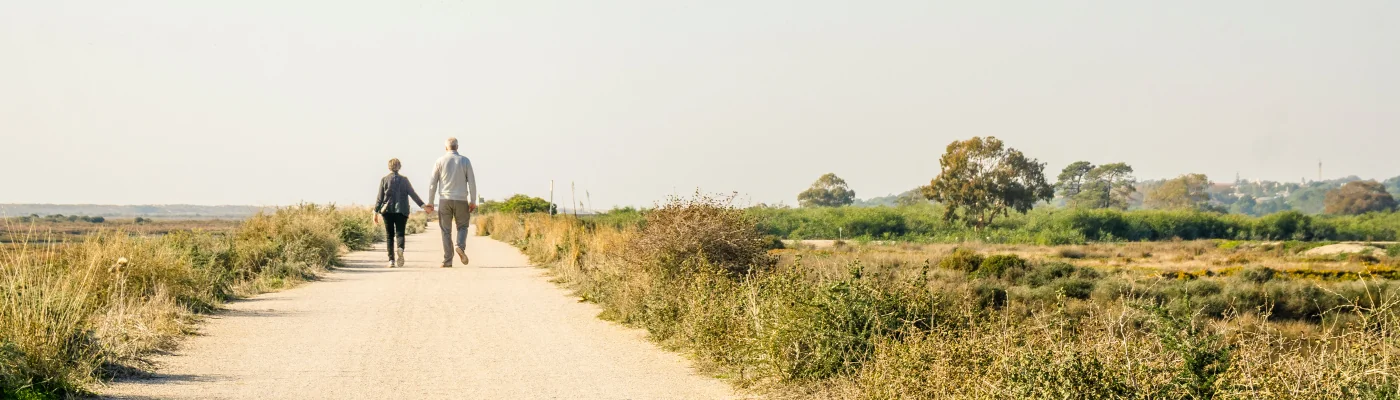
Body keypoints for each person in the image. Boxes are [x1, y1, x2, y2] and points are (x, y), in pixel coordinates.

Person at [425, 137, 477, 268]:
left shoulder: (440, 161)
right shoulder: (465, 161)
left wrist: (430, 202)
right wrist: (473, 201)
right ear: (457, 147)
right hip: (461, 199)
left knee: (446, 230)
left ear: (446, 148)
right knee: (463, 226)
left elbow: (433, 183)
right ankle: (460, 245)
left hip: (445, 199)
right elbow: (472, 182)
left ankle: (448, 260)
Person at [373, 158, 426, 268]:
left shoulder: (384, 180)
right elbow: (413, 194)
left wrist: (375, 212)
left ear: (389, 167)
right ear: (399, 167)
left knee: (389, 236)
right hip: (402, 210)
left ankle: (391, 260)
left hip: (387, 211)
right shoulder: (404, 180)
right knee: (400, 233)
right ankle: (400, 248)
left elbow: (379, 198)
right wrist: (423, 205)